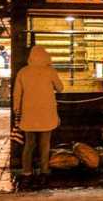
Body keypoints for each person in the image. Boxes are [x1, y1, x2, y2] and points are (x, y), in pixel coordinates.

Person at [13, 45, 64, 188]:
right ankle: (44, 172)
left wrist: (17, 110)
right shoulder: (50, 71)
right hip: (47, 113)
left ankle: (27, 173)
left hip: (28, 114)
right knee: (44, 145)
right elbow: (60, 88)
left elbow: (17, 94)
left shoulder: (23, 72)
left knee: (29, 145)